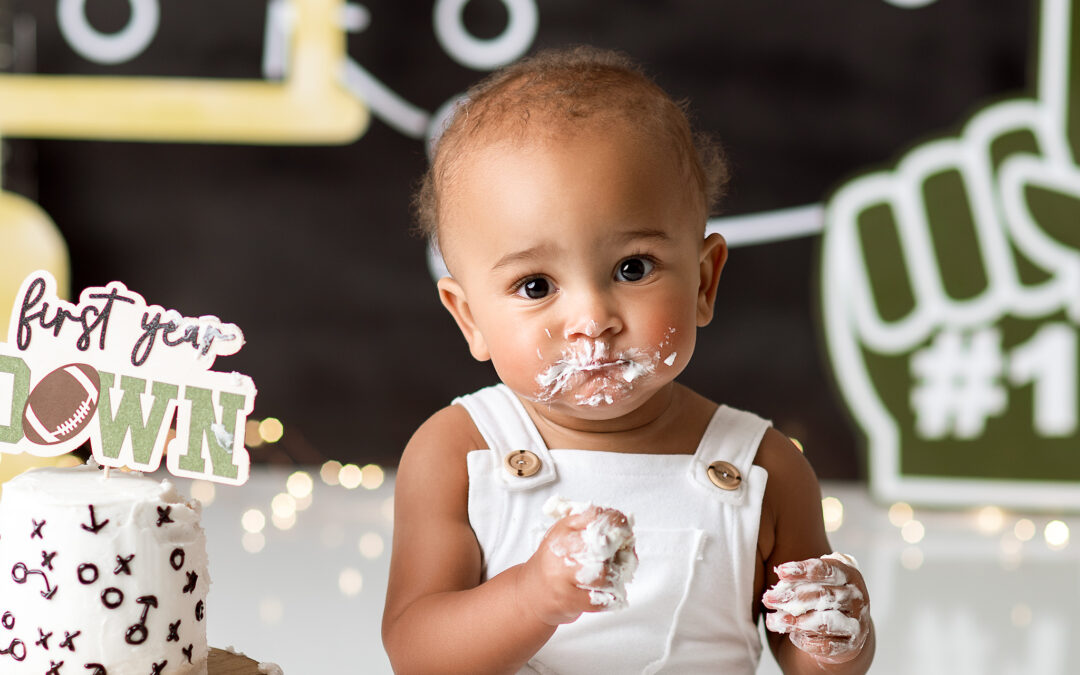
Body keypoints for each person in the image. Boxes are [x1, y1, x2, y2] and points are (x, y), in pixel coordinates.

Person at [382, 46, 874, 674]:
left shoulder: (764, 467)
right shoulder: (459, 454)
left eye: (632, 268)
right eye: (536, 285)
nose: (592, 320)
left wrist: (835, 631)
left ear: (703, 281)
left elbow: (810, 666)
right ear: (470, 317)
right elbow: (416, 653)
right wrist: (533, 595)